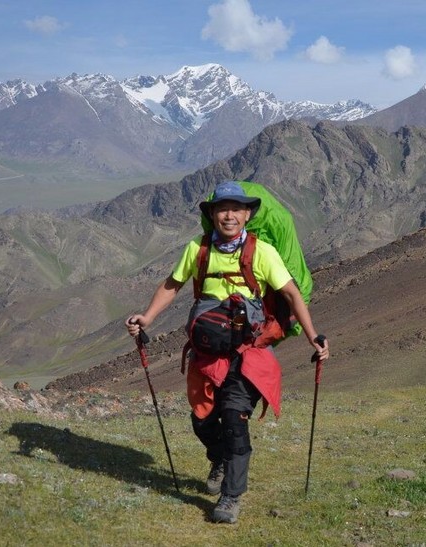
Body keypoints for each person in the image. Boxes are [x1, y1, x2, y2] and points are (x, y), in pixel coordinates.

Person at [125, 180, 329, 524]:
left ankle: (231, 496)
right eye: (223, 209)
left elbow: (292, 294)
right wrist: (147, 317)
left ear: (248, 214)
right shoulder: (199, 249)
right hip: (207, 355)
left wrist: (313, 336)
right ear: (213, 214)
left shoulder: (262, 252)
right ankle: (218, 456)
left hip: (247, 355)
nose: (230, 215)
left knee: (234, 420)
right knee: (203, 419)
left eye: (237, 208)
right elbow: (173, 284)